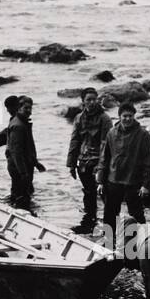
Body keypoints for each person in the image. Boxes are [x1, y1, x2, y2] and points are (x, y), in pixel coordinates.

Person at [98, 102, 150, 234]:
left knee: (137, 214)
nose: (127, 119)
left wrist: (146, 185)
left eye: (130, 116)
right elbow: (105, 158)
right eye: (124, 116)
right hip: (113, 180)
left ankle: (142, 241)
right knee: (109, 214)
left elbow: (148, 161)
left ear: (134, 116)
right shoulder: (111, 133)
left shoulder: (143, 134)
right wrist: (100, 181)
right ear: (119, 117)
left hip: (133, 181)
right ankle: (108, 242)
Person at [66, 88, 113, 234]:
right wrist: (71, 164)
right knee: (88, 193)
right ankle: (89, 223)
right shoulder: (79, 118)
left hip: (99, 162)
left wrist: (101, 167)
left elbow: (107, 144)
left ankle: (110, 227)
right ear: (83, 101)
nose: (92, 102)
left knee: (105, 194)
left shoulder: (105, 118)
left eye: (94, 99)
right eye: (89, 100)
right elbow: (75, 141)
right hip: (83, 162)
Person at [4, 95, 45, 209]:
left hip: (21, 166)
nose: (29, 111)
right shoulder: (18, 126)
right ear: (19, 108)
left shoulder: (22, 123)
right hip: (19, 168)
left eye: (30, 108)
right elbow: (16, 152)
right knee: (22, 197)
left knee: (20, 194)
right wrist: (23, 173)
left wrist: (36, 163)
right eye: (26, 108)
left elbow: (27, 148)